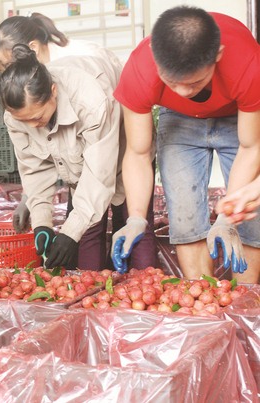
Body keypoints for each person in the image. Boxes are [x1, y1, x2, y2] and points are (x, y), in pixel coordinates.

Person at [0, 13, 157, 270]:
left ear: (53, 93)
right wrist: (42, 222)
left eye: (38, 117)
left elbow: (99, 176)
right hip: (78, 159)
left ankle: (145, 296)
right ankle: (89, 301)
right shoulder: (16, 117)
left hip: (125, 148)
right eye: (26, 121)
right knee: (84, 233)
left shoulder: (91, 99)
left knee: (133, 224)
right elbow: (34, 168)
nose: (35, 125)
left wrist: (70, 233)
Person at [110, 6, 260, 283]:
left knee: (250, 216)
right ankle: (202, 300)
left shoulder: (248, 64)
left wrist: (228, 217)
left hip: (236, 113)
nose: (182, 92)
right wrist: (135, 219)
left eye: (194, 83)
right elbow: (138, 153)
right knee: (185, 215)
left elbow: (251, 147)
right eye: (171, 82)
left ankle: (246, 304)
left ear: (218, 56)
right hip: (178, 121)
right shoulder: (139, 69)